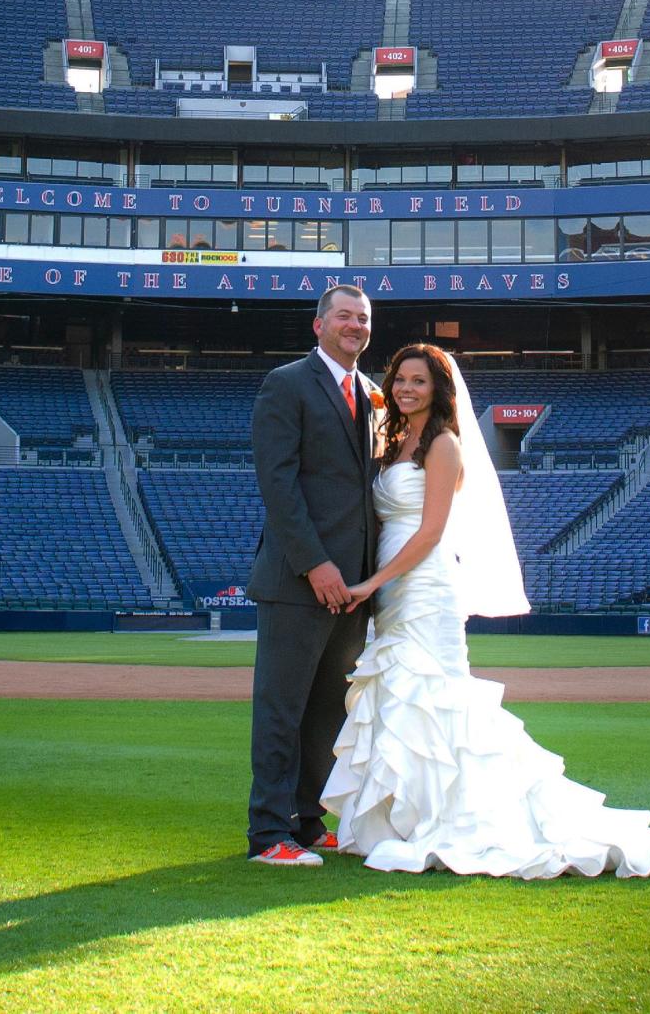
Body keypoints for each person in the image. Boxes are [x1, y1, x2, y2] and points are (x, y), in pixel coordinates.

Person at [322, 343, 650, 879]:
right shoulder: (394, 442)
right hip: (392, 588)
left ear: (438, 389)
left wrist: (370, 583)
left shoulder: (444, 444)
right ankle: (406, 818)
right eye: (400, 379)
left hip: (425, 583)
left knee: (432, 695)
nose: (406, 388)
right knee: (401, 695)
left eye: (419, 381)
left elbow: (430, 532)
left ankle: (455, 817)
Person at [246, 286, 379, 867]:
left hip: (354, 589)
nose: (355, 326)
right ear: (318, 325)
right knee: (282, 708)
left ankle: (306, 821)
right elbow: (278, 484)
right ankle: (268, 834)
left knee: (328, 711)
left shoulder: (373, 395)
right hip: (299, 581)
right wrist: (316, 563)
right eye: (344, 316)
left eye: (364, 319)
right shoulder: (287, 383)